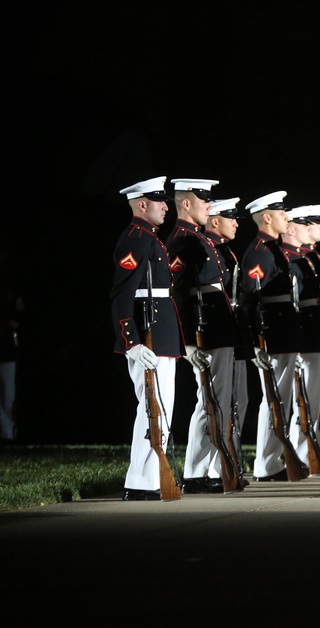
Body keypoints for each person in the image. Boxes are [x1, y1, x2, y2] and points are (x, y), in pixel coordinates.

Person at [111, 176, 185, 501]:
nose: (167, 206)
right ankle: (141, 480)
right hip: (147, 337)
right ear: (142, 204)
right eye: (160, 201)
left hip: (161, 335)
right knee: (152, 407)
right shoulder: (136, 239)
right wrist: (131, 341)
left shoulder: (149, 238)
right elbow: (122, 294)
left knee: (159, 407)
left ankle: (150, 477)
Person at [166, 177, 239, 495]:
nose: (209, 205)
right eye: (203, 199)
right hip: (205, 332)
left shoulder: (198, 239)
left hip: (218, 329)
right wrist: (190, 341)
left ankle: (208, 467)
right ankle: (196, 471)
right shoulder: (183, 240)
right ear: (186, 203)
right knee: (207, 401)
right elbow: (179, 294)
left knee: (217, 401)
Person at [239, 190, 306, 482]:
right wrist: (255, 342)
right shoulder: (259, 252)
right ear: (266, 217)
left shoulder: (273, 249)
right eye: (281, 214)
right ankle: (266, 463)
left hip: (284, 333)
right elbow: (250, 301)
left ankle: (273, 460)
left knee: (282, 400)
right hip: (273, 335)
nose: (286, 218)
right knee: (274, 400)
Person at [203, 197, 254, 479]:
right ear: (214, 221)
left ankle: (225, 462)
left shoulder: (223, 251)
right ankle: (207, 469)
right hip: (215, 334)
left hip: (231, 333)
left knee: (237, 400)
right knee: (215, 402)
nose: (235, 223)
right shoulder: (206, 248)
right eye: (230, 218)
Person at [283, 204, 320, 474]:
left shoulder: (309, 258)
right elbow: (296, 306)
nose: (319, 227)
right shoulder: (290, 260)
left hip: (317, 337)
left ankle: (306, 451)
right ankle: (299, 453)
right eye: (309, 223)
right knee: (303, 400)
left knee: (311, 399)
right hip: (306, 339)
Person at [0, 252, 24, 443]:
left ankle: (9, 434)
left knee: (9, 397)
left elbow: (18, 321)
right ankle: (7, 432)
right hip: (6, 351)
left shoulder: (13, 295)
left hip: (7, 353)